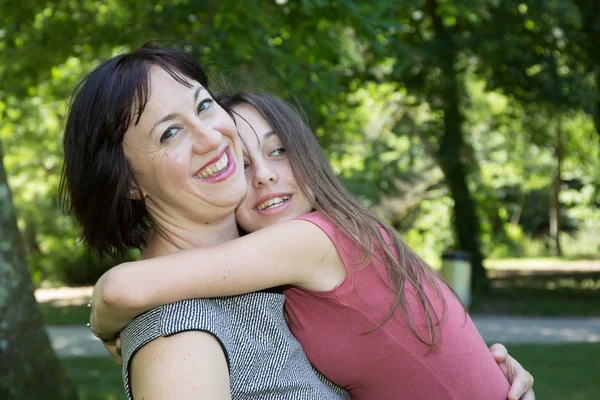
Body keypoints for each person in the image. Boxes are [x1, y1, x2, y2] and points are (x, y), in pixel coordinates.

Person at [92, 90, 535, 399]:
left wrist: (104, 322)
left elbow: (120, 290)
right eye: (242, 165)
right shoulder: (302, 261)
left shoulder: (313, 239)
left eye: (279, 151)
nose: (264, 174)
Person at [61, 44, 351, 400]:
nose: (210, 138)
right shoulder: (178, 337)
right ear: (130, 184)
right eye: (170, 133)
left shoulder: (269, 259)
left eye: (203, 105)